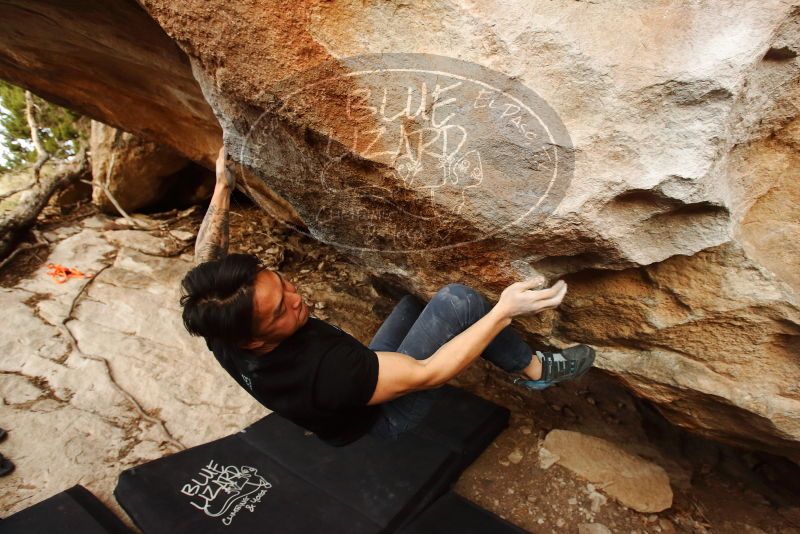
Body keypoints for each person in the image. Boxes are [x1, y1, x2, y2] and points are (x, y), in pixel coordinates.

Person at [179, 146, 596, 446]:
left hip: (344, 389)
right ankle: (536, 370)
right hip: (382, 417)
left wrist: (222, 186)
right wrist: (504, 310)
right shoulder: (330, 374)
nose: (295, 296)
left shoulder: (217, 319)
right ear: (252, 339)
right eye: (279, 309)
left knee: (416, 296)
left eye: (283, 283)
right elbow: (428, 372)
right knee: (459, 302)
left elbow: (207, 258)